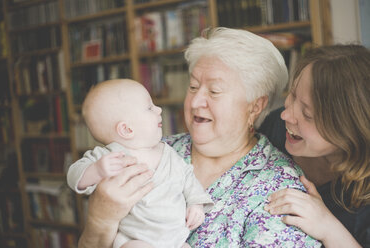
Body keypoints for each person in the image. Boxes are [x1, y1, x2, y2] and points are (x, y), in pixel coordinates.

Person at [77, 27, 323, 247]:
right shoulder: (156, 150)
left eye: (214, 91)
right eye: (193, 86)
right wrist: (101, 219)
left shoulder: (279, 188)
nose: (195, 101)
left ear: (255, 106)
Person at [67, 79, 214, 248]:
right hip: (137, 240)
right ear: (127, 129)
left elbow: (188, 178)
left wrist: (196, 203)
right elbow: (73, 175)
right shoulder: (110, 156)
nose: (159, 109)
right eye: (149, 107)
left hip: (177, 240)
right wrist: (97, 170)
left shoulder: (169, 152)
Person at [261, 44, 370, 247]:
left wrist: (329, 228)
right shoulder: (275, 128)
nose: (286, 115)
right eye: (292, 95)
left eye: (307, 115)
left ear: (347, 131)